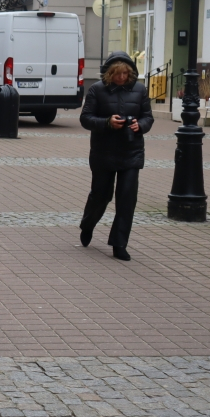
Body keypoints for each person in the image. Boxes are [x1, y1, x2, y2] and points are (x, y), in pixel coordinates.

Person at [79, 51, 154, 262]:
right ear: (109, 74)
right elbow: (85, 118)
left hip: (131, 152)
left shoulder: (140, 90)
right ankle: (88, 224)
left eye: (124, 74)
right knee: (101, 196)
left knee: (127, 199)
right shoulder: (97, 90)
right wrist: (107, 123)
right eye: (116, 74)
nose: (121, 78)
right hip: (104, 152)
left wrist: (141, 125)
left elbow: (148, 117)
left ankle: (119, 243)